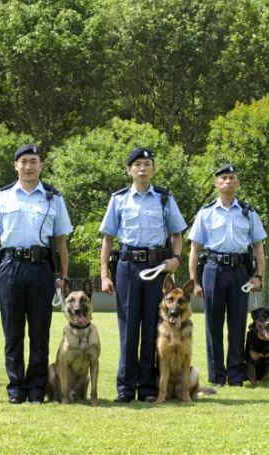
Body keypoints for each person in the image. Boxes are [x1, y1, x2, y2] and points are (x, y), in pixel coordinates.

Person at [0, 144, 72, 404]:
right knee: (12, 333)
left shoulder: (54, 198)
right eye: (24, 161)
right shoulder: (2, 197)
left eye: (34, 161)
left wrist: (64, 276)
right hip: (10, 267)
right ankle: (16, 388)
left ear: (41, 165)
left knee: (39, 332)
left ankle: (36, 389)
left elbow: (61, 241)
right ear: (16, 165)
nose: (29, 166)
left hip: (41, 268)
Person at [100, 147, 187, 403]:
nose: (142, 168)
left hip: (157, 267)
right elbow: (107, 238)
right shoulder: (118, 199)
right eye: (137, 164)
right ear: (129, 170)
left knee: (152, 325)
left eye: (147, 164)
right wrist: (105, 274)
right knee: (128, 327)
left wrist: (176, 259)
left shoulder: (163, 198)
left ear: (154, 169)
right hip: (127, 266)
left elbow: (177, 234)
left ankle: (148, 388)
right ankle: (125, 388)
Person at [188, 164, 266, 387]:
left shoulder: (248, 212)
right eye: (223, 178)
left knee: (238, 323)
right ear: (216, 183)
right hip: (213, 270)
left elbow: (258, 246)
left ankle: (235, 374)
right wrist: (194, 281)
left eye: (232, 178)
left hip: (240, 271)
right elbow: (194, 248)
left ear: (238, 183)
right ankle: (217, 376)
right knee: (213, 324)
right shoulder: (205, 213)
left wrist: (258, 275)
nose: (228, 182)